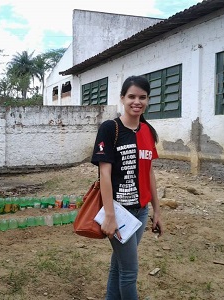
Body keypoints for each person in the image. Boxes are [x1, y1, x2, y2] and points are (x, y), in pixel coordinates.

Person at [91, 75, 163, 300]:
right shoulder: (109, 128)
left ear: (148, 100)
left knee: (119, 267)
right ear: (122, 98)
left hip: (140, 212)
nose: (137, 102)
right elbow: (105, 173)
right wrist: (110, 215)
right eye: (131, 96)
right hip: (120, 211)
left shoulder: (148, 131)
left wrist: (157, 211)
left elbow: (149, 172)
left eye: (142, 97)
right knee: (130, 272)